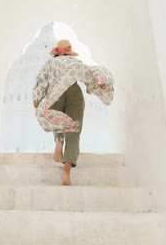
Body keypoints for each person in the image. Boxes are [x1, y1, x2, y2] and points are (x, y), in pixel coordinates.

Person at [32, 39, 115, 186]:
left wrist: (37, 99)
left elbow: (41, 81)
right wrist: (93, 88)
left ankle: (58, 141)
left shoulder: (50, 64)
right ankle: (66, 172)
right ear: (69, 52)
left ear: (56, 52)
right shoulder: (74, 62)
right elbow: (88, 76)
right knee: (74, 130)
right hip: (73, 91)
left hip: (55, 92)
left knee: (57, 119)